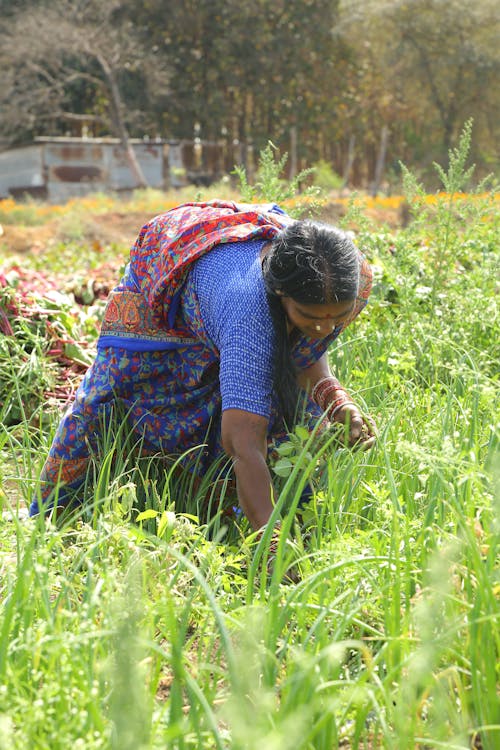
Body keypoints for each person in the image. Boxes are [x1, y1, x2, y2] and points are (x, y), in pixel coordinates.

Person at [30, 200, 375, 533]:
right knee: (107, 403)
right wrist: (272, 548)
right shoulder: (248, 317)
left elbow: (302, 347)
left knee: (293, 413)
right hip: (166, 295)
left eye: (338, 318)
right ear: (281, 295)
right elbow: (243, 444)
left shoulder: (348, 279)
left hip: (229, 296)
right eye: (311, 317)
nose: (326, 329)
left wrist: (332, 395)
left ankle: (294, 520)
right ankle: (51, 525)